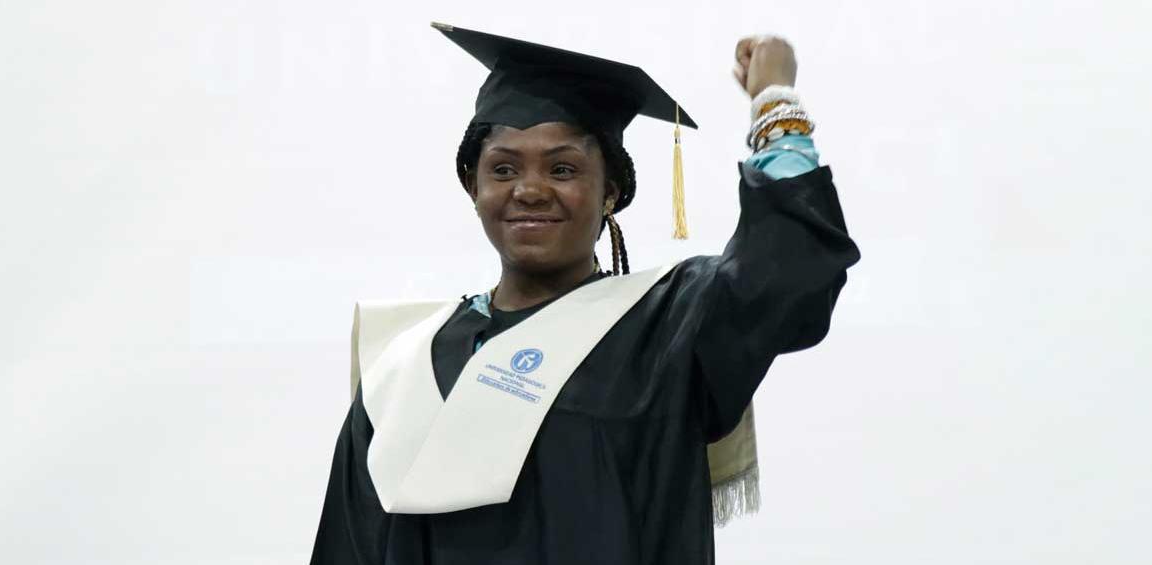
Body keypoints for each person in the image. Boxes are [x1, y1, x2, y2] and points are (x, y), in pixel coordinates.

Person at [309, 23, 861, 565]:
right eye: (503, 169)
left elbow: (788, 271)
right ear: (473, 187)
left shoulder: (667, 325)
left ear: (610, 193)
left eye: (562, 169)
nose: (529, 190)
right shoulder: (404, 366)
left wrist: (774, 104)